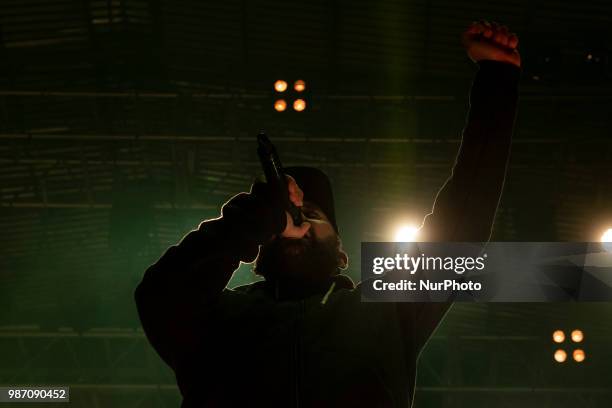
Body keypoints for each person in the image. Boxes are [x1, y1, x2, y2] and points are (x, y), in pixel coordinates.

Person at [135, 21, 521, 407]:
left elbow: (464, 215)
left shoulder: (386, 312)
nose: (296, 224)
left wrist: (497, 80)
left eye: (311, 215)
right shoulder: (219, 318)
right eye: (284, 217)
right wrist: (253, 217)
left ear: (341, 253)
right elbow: (160, 295)